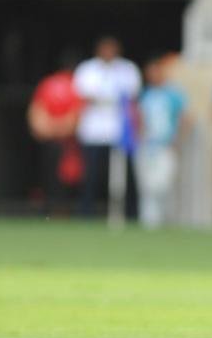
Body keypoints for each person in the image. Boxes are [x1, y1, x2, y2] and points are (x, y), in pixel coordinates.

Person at [73, 36, 141, 219]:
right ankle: (87, 214)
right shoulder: (87, 69)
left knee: (125, 177)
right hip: (93, 132)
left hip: (120, 132)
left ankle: (129, 215)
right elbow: (84, 96)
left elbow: (131, 99)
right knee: (92, 175)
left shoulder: (128, 69)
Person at [27, 49, 83, 217]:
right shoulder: (77, 84)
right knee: (65, 177)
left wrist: (48, 129)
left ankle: (54, 211)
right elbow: (75, 117)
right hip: (68, 143)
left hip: (56, 140)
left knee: (57, 176)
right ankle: (59, 211)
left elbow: (36, 114)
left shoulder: (47, 83)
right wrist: (60, 129)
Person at [135, 54, 189, 229]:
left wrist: (178, 140)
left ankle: (168, 220)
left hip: (166, 145)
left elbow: (185, 118)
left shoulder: (173, 94)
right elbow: (140, 120)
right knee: (148, 185)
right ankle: (150, 222)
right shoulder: (145, 94)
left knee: (164, 184)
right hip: (148, 146)